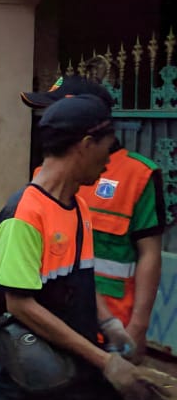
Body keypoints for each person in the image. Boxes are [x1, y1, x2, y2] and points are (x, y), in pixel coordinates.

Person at [0, 95, 173, 400]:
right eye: (108, 147)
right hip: (26, 387)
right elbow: (20, 305)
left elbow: (82, 279)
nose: (110, 162)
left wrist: (111, 325)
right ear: (85, 144)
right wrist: (108, 362)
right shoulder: (23, 215)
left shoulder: (79, 206)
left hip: (74, 377)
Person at [22, 76, 165, 360]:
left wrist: (137, 325)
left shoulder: (138, 175)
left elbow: (149, 253)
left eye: (55, 110)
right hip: (56, 320)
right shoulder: (45, 176)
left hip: (110, 323)